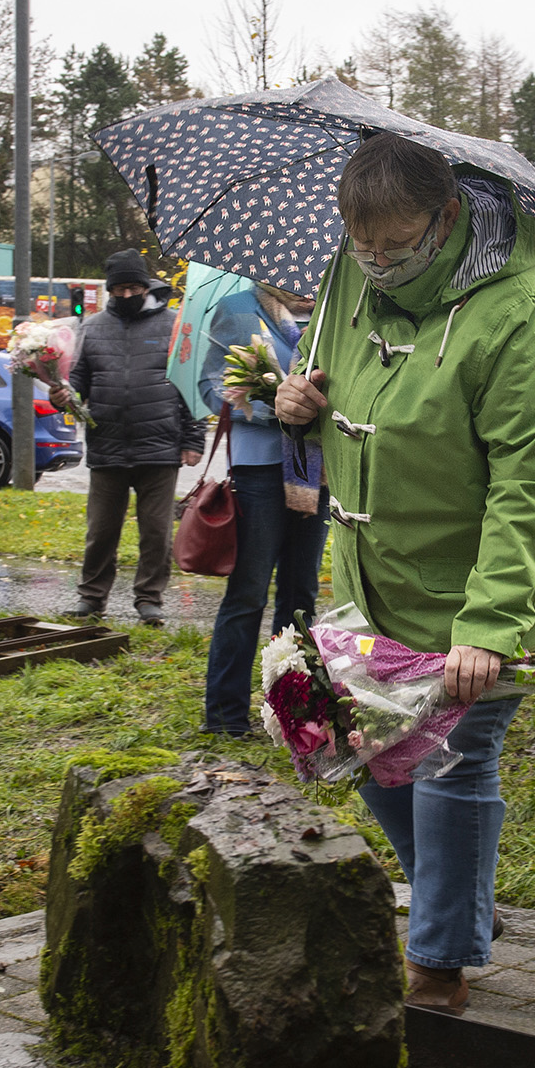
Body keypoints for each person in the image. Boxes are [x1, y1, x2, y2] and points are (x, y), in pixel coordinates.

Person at [273, 133, 535, 1013]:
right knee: (363, 738)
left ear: (449, 216)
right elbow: (336, 379)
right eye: (362, 244)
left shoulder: (523, 312)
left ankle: (439, 965)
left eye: (397, 244)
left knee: (454, 756)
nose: (377, 263)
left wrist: (490, 623)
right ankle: (456, 905)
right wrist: (299, 404)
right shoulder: (353, 275)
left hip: (498, 574)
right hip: (381, 566)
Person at [197, 279, 329, 736]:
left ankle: (293, 713)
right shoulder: (238, 309)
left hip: (316, 468)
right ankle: (225, 715)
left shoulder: (337, 309)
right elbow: (210, 386)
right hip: (260, 468)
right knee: (249, 591)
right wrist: (269, 399)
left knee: (301, 595)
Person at [57, 250, 205, 626]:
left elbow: (190, 387)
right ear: (109, 291)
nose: (126, 295)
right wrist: (61, 393)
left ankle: (149, 598)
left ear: (145, 286)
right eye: (119, 289)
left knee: (155, 533)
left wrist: (193, 439)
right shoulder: (91, 328)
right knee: (101, 531)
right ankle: (91, 596)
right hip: (106, 447)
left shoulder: (173, 325)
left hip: (160, 448)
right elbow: (77, 383)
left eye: (133, 287)